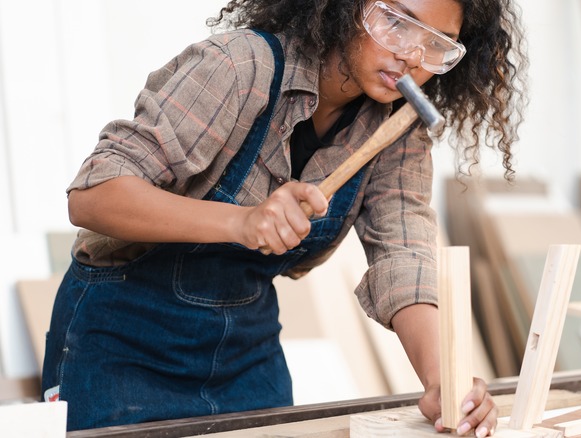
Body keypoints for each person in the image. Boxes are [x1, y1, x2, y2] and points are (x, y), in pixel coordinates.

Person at [41, 0, 527, 434]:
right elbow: (95, 193)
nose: (411, 56)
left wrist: (444, 379)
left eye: (436, 45)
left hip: (244, 349)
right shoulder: (238, 67)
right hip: (121, 342)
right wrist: (239, 222)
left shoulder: (398, 130)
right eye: (396, 21)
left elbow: (404, 255)